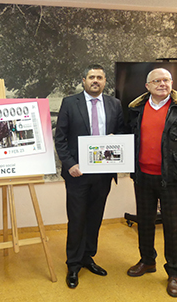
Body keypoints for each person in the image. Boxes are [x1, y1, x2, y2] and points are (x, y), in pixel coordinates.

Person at [126, 68, 177, 298]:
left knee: (173, 227)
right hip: (142, 177)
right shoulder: (137, 109)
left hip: (172, 179)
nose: (163, 84)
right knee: (145, 222)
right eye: (157, 81)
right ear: (147, 86)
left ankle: (173, 273)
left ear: (171, 83)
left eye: (166, 80)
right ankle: (147, 261)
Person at [55, 64, 125, 288]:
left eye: (100, 77)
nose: (96, 80)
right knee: (77, 219)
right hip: (78, 173)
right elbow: (61, 139)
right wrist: (70, 164)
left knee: (95, 218)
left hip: (103, 174)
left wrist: (116, 138)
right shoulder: (69, 103)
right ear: (83, 80)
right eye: (92, 77)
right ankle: (73, 265)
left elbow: (123, 132)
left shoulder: (115, 104)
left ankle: (88, 257)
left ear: (105, 81)